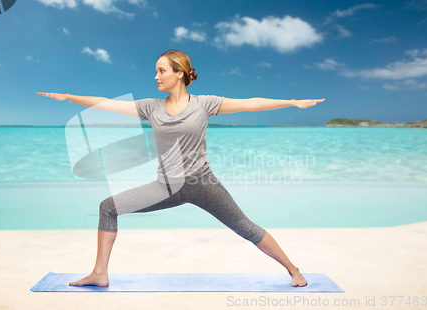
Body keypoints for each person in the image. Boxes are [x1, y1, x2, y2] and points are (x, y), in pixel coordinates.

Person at [36, 49, 324, 288]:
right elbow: (107, 105)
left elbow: (250, 104)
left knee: (246, 228)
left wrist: (292, 102)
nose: (156, 76)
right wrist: (70, 97)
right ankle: (100, 274)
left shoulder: (204, 104)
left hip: (203, 184)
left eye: (162, 71)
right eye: (156, 71)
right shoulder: (151, 107)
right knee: (108, 207)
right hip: (165, 187)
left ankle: (293, 269)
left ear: (180, 74)